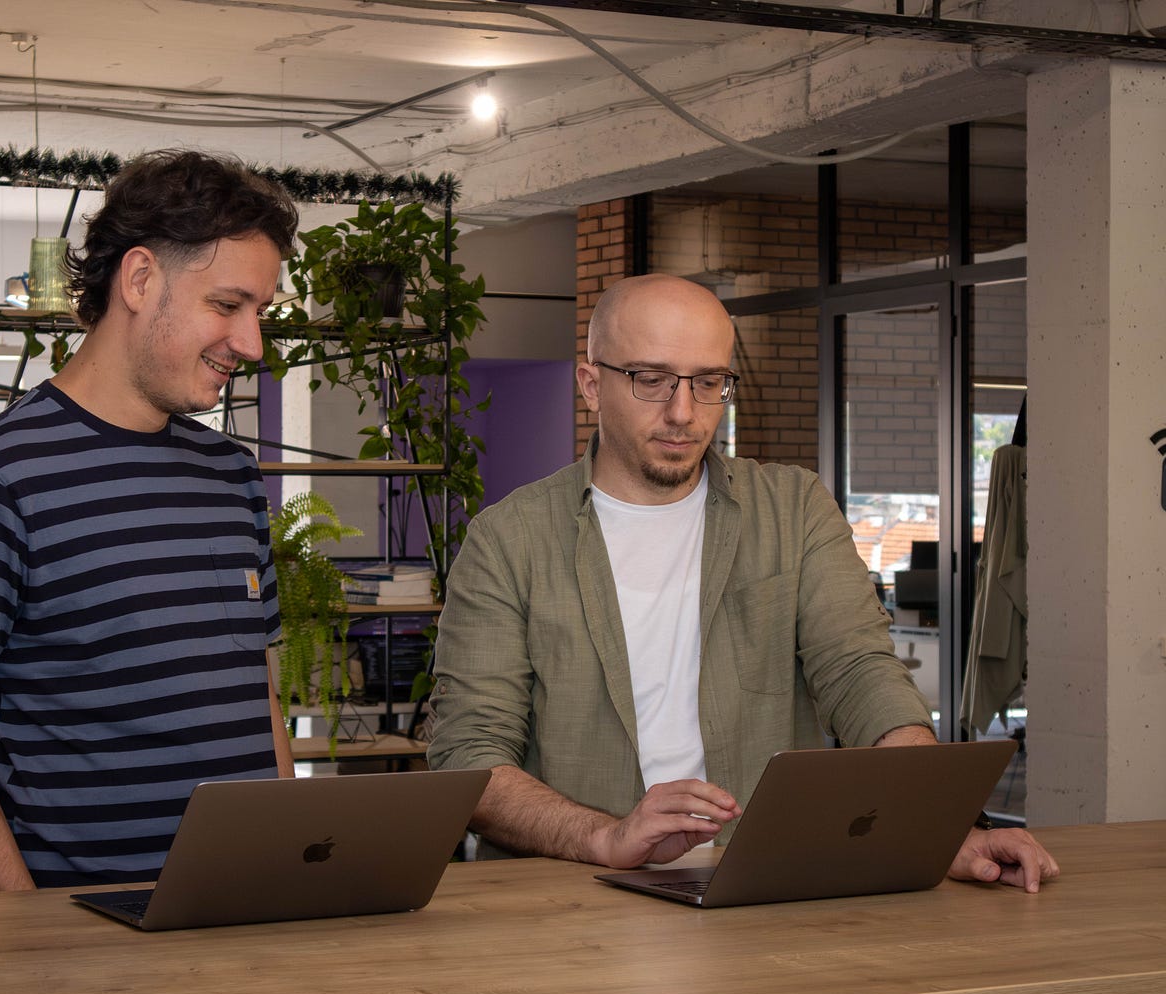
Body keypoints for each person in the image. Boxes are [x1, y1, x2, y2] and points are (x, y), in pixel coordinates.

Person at [427, 273, 1059, 892]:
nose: (684, 413)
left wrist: (937, 822)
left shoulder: (793, 508)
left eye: (709, 383)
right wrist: (605, 837)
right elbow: (469, 753)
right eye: (651, 380)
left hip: (766, 883)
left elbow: (859, 672)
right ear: (592, 384)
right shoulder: (507, 541)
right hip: (568, 895)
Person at [0, 150, 300, 891]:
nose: (252, 345)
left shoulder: (233, 475)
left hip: (241, 918)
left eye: (259, 314)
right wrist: (26, 933)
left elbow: (256, 696)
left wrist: (287, 875)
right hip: (80, 941)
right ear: (141, 279)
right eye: (226, 306)